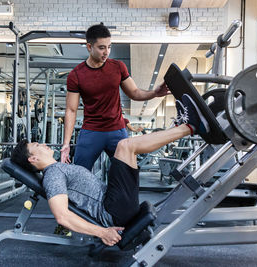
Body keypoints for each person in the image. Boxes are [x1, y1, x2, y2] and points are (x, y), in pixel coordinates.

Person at [11, 94, 210, 246]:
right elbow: (62, 216)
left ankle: (183, 125)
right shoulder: (52, 176)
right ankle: (189, 126)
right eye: (37, 145)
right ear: (33, 158)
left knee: (126, 147)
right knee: (125, 146)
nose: (44, 144)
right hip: (113, 211)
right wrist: (102, 232)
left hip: (113, 202)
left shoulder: (57, 169)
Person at [60, 23, 169, 170]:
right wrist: (66, 144)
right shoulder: (76, 75)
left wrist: (155, 93)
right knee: (79, 173)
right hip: (91, 131)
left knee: (127, 172)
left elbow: (134, 92)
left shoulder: (118, 67)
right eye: (101, 47)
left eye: (109, 47)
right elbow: (71, 110)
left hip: (116, 130)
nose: (107, 52)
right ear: (89, 47)